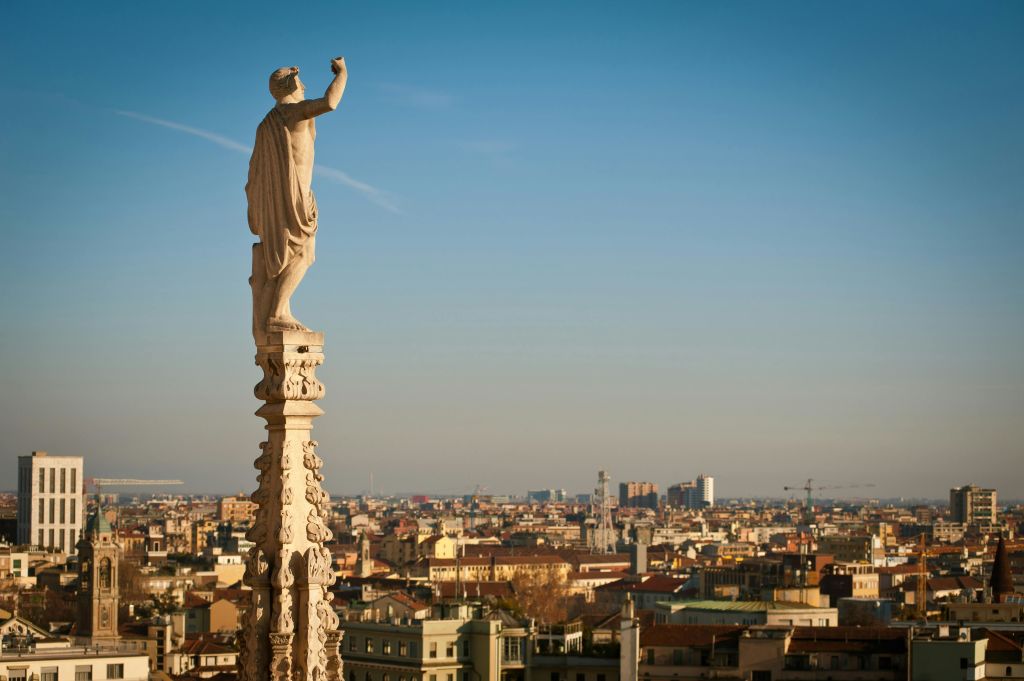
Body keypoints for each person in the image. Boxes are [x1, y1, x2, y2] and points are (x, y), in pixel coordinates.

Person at [246, 57, 347, 339]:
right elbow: (330, 102)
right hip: (294, 198)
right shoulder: (292, 112)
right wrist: (342, 74)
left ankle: (278, 312)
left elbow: (254, 172)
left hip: (278, 200)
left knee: (287, 260)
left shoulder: (266, 124)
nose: (304, 86)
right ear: (291, 85)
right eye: (300, 82)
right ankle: (278, 313)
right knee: (304, 253)